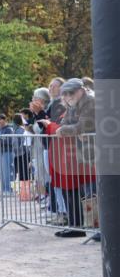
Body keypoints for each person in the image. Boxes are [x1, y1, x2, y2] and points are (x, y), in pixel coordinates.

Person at [53, 78, 97, 237]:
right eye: (65, 93)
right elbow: (65, 123)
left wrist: (68, 129)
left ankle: (98, 228)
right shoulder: (74, 104)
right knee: (82, 192)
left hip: (94, 153)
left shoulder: (90, 102)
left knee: (94, 192)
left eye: (70, 93)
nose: (67, 96)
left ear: (81, 90)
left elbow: (82, 126)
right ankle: (82, 226)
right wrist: (70, 129)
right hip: (81, 154)